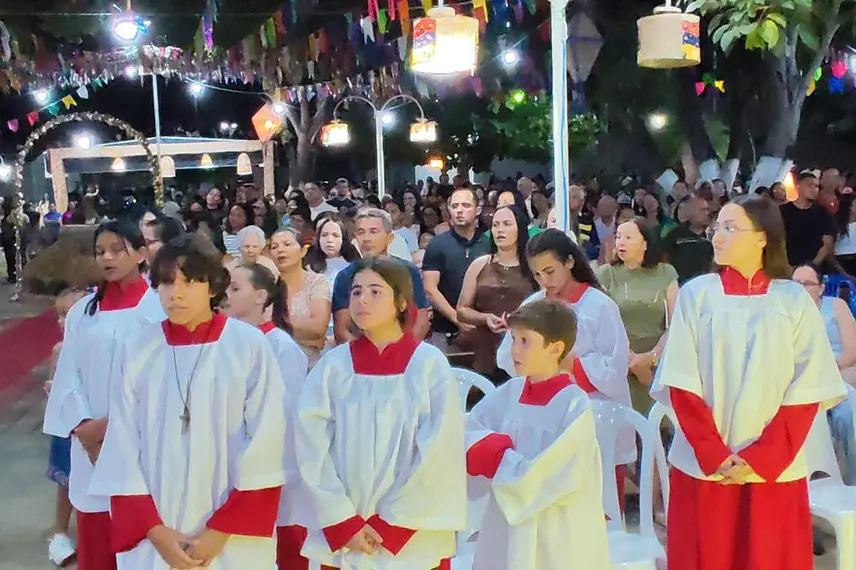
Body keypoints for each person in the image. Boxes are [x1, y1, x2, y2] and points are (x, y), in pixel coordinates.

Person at [650, 194, 846, 570]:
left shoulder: (793, 300)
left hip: (775, 467)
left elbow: (808, 388)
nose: (717, 236)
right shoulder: (696, 295)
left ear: (762, 237)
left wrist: (763, 457)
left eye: (730, 227)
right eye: (716, 227)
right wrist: (715, 454)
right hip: (705, 467)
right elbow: (681, 381)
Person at [90, 233, 286, 570]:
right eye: (167, 282)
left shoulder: (247, 346)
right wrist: (155, 532)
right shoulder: (139, 349)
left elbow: (268, 442)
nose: (175, 293)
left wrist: (219, 532)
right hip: (156, 533)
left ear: (212, 287)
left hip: (231, 533)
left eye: (189, 281)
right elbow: (121, 445)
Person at [293, 256, 466, 570]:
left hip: (412, 536)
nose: (362, 300)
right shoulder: (333, 367)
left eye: (375, 291)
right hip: (345, 534)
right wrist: (343, 521)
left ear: (401, 302)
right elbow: (311, 446)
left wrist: (394, 524)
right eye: (356, 291)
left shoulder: (428, 365)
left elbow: (440, 451)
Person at [43, 221, 165, 570]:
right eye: (100, 252)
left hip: (141, 442)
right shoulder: (83, 312)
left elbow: (162, 379)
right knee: (98, 542)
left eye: (116, 250)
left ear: (141, 254)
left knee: (144, 540)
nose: (107, 258)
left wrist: (110, 426)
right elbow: (68, 375)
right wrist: (84, 426)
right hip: (90, 447)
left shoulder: (159, 308)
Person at [466, 299, 610, 570]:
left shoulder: (574, 404)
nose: (514, 350)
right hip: (505, 523)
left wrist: (498, 458)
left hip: (556, 529)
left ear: (555, 348)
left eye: (525, 341)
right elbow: (469, 430)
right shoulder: (509, 393)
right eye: (513, 339)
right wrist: (485, 448)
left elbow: (553, 473)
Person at [597, 219, 679, 413]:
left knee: (656, 421)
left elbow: (677, 323)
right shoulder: (606, 274)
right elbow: (599, 323)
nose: (620, 242)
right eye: (618, 237)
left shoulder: (666, 272)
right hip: (618, 362)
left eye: (628, 237)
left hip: (657, 363)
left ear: (645, 243)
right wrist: (631, 360)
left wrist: (651, 358)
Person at [456, 206, 538, 384]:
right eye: (496, 225)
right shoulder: (480, 265)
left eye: (507, 224)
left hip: (524, 350)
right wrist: (485, 318)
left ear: (519, 228)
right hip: (486, 351)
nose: (500, 230)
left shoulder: (534, 267)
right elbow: (462, 310)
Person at [793, 263, 856, 485]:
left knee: (846, 410)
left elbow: (851, 352)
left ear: (821, 288)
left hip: (840, 370)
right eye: (796, 284)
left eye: (808, 284)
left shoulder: (836, 306)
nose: (801, 289)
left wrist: (824, 370)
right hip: (802, 379)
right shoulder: (784, 313)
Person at [332, 209, 431, 343]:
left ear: (389, 238)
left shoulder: (408, 270)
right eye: (361, 232)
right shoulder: (345, 276)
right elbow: (342, 330)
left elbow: (421, 319)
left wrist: (403, 350)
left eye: (373, 232)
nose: (366, 239)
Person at [44, 288, 88, 566]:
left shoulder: (95, 347)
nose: (62, 321)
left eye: (67, 314)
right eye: (59, 315)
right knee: (66, 481)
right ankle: (59, 531)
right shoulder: (59, 350)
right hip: (66, 427)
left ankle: (88, 533)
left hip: (89, 424)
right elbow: (54, 386)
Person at [422, 188, 491, 347]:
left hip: (486, 328)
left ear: (478, 210)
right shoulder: (437, 244)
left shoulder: (490, 242)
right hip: (445, 331)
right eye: (454, 206)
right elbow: (430, 288)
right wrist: (457, 318)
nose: (459, 210)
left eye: (466, 205)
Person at [270, 227, 332, 366]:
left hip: (308, 366)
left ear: (303, 251)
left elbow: (318, 328)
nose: (280, 250)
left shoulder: (317, 282)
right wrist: (304, 335)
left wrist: (273, 326)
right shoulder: (266, 285)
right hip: (272, 363)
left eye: (287, 244)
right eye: (274, 247)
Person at [780, 170, 836, 270]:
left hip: (813, 267)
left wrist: (812, 266)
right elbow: (777, 241)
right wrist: (786, 266)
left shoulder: (823, 213)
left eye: (817, 186)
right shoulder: (783, 211)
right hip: (787, 267)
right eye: (810, 185)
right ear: (798, 186)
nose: (814, 189)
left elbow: (827, 243)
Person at [662, 194, 714, 284]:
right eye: (702, 210)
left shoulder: (713, 235)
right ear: (690, 213)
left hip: (706, 284)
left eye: (707, 210)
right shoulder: (675, 234)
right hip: (680, 284)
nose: (707, 213)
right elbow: (664, 258)